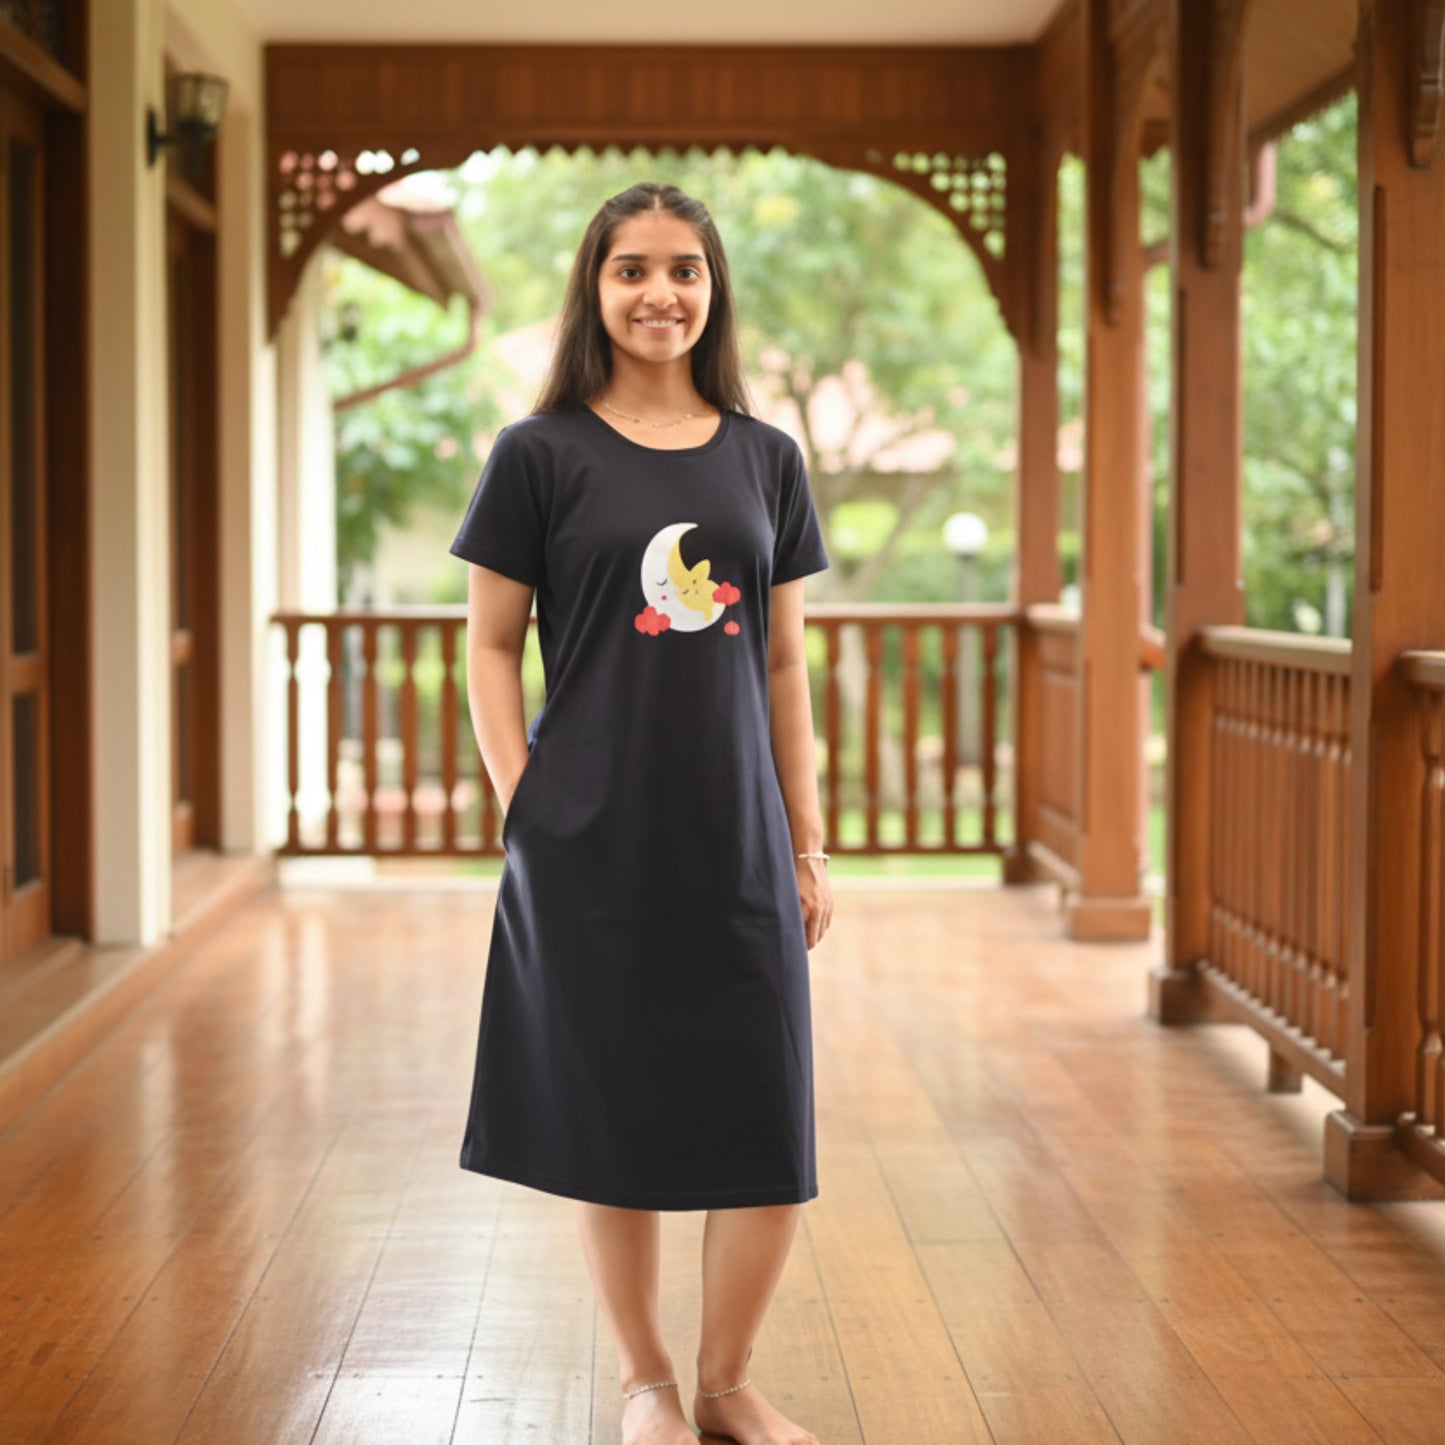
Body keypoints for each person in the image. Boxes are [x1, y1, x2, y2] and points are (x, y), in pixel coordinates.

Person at [450, 180, 833, 1445]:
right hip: (587, 839)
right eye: (630, 269)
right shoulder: (538, 452)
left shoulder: (764, 456)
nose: (658, 291)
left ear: (711, 287)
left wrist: (806, 838)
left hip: (735, 835)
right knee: (609, 1108)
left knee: (763, 1107)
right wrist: (524, 800)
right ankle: (646, 1383)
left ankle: (727, 1381)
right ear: (594, 287)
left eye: (683, 268)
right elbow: (491, 647)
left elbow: (783, 664)